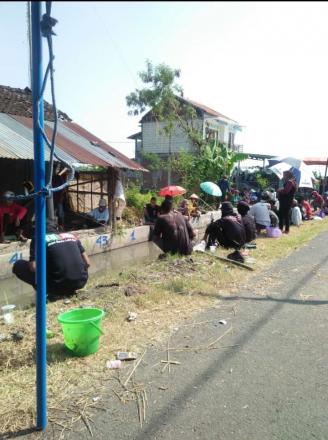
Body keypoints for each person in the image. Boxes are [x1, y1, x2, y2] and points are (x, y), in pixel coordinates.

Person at [13, 219, 90, 297]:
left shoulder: (38, 238)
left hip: (57, 286)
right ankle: (70, 288)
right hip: (81, 282)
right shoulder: (72, 236)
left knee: (18, 265)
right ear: (56, 227)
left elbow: (33, 267)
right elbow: (87, 262)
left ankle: (48, 293)